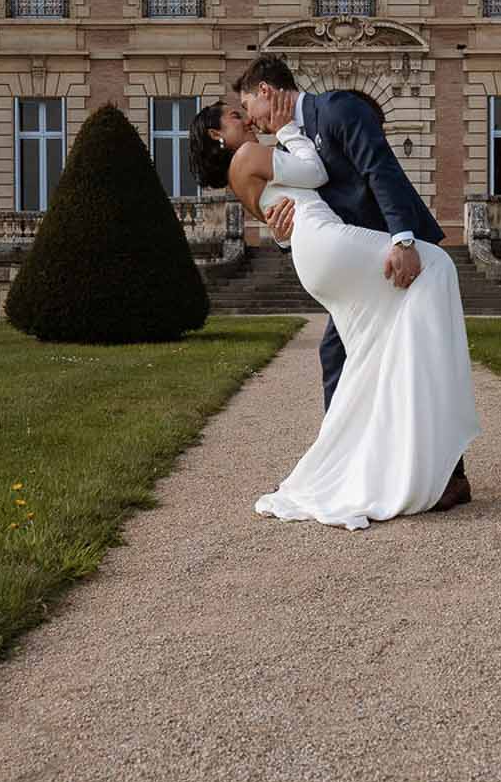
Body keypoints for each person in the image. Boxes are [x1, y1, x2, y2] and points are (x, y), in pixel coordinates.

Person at [189, 78, 479, 529]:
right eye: (234, 115)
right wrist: (287, 130)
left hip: (317, 253)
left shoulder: (245, 171)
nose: (245, 118)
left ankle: (394, 463)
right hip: (328, 245)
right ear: (215, 135)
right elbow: (316, 173)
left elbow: (283, 216)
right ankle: (411, 461)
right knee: (436, 268)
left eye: (244, 109)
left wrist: (283, 235)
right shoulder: (249, 154)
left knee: (366, 351)